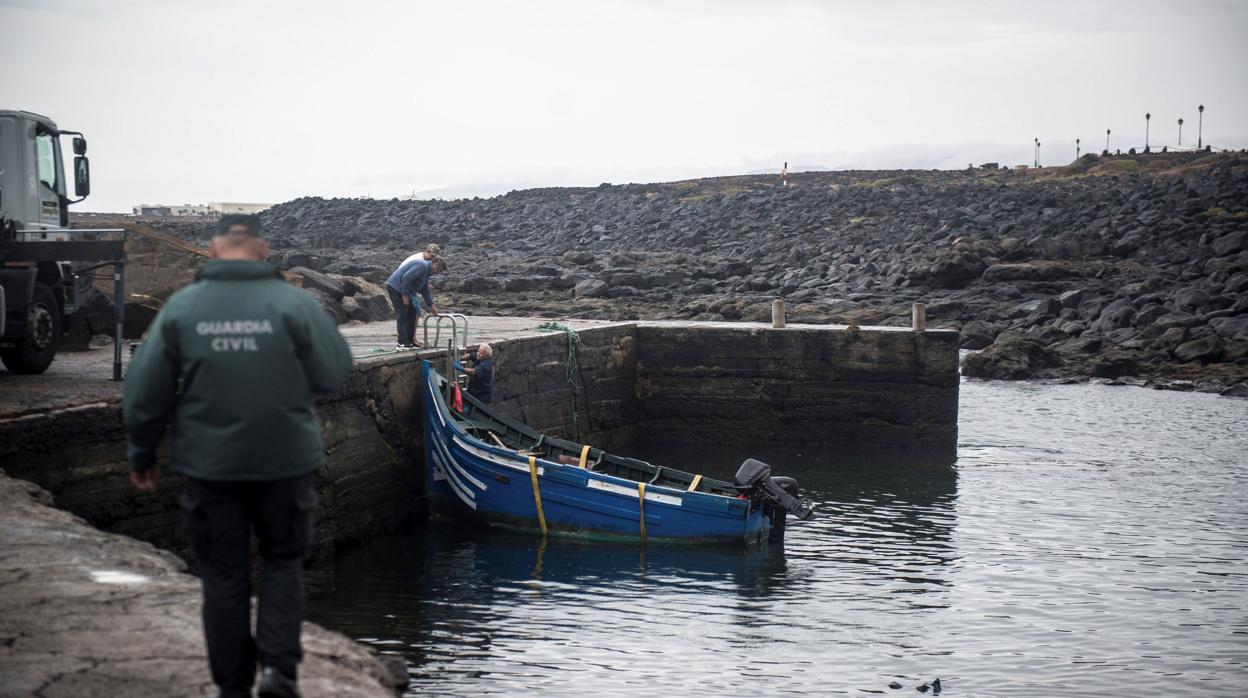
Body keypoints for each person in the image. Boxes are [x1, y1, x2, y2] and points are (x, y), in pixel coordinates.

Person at [123, 213, 353, 698]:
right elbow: (333, 371)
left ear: (212, 250)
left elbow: (145, 390)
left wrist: (142, 453)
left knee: (223, 573)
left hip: (211, 465)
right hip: (285, 462)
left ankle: (232, 685)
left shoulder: (183, 308)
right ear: (264, 251)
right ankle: (278, 674)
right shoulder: (295, 303)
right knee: (283, 562)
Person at [385, 252, 447, 350]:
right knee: (402, 314)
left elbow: (424, 290)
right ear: (435, 264)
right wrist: (405, 295)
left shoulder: (427, 272)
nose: (437, 272)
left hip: (404, 290)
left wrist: (432, 305)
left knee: (413, 313)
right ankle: (401, 343)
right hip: (395, 287)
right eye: (438, 270)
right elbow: (406, 278)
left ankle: (410, 341)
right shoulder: (423, 266)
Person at [454, 343, 494, 416]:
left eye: (481, 353)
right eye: (478, 351)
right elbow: (470, 355)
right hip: (472, 392)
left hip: (482, 396)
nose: (478, 354)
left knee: (480, 415)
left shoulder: (486, 365)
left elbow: (473, 372)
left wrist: (460, 368)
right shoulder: (479, 356)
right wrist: (460, 359)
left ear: (486, 356)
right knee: (465, 410)